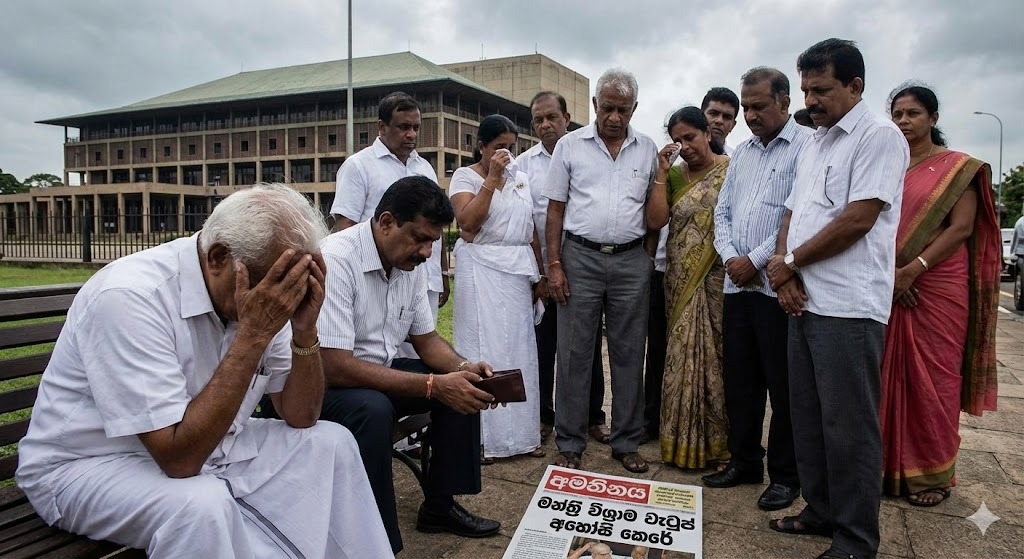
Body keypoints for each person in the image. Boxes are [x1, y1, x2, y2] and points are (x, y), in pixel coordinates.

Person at [15, 184, 392, 558]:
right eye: (274, 284)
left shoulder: (264, 291)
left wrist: (304, 330)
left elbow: (301, 415)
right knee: (200, 506)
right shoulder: (130, 296)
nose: (281, 298)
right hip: (88, 464)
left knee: (331, 442)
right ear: (217, 258)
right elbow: (179, 460)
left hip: (210, 445)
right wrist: (254, 335)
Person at [766, 39, 909, 559]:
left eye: (821, 90)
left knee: (849, 428)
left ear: (855, 85)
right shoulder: (816, 141)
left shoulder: (879, 137)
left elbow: (857, 219)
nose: (810, 100)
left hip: (848, 308)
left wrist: (790, 263)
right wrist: (784, 273)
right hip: (804, 301)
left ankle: (855, 539)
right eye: (806, 90)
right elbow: (792, 212)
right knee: (807, 418)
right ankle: (821, 510)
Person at [317, 176, 501, 552]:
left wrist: (461, 367)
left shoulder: (408, 265)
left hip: (375, 376)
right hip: (322, 387)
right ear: (387, 222)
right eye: (420, 239)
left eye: (433, 241)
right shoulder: (336, 259)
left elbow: (427, 341)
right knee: (374, 410)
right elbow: (334, 366)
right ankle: (376, 541)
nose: (427, 252)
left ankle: (439, 506)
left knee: (461, 387)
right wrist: (432, 385)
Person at [880, 83, 1000, 506]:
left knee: (935, 379)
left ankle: (932, 474)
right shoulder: (887, 166)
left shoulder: (957, 169)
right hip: (889, 282)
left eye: (913, 113)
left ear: (933, 118)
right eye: (897, 114)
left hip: (937, 283)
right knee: (884, 376)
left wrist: (914, 270)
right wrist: (894, 276)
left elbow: (961, 228)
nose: (904, 121)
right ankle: (884, 467)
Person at [704, 67, 809, 512]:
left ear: (784, 101)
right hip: (737, 286)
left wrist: (756, 260)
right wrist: (732, 257)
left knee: (783, 388)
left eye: (758, 106)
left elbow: (797, 214)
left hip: (775, 287)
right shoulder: (743, 153)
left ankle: (785, 476)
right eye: (745, 107)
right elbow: (722, 212)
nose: (749, 116)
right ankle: (745, 461)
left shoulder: (807, 146)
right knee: (741, 382)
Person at [545, 68, 658, 473]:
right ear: (594, 104)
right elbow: (555, 210)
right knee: (574, 353)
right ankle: (570, 442)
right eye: (607, 107)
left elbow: (654, 211)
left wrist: (646, 258)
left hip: (631, 261)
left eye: (622, 110)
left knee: (630, 353)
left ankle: (626, 442)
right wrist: (554, 265)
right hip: (580, 258)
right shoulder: (570, 146)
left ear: (634, 109)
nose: (614, 117)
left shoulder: (647, 149)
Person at [450, 114, 545, 462]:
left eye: (511, 147)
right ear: (482, 147)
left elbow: (529, 228)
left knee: (520, 349)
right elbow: (467, 223)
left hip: (516, 272)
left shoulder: (521, 179)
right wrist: (491, 178)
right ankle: (481, 439)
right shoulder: (465, 176)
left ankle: (523, 436)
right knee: (481, 347)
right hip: (481, 269)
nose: (506, 154)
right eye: (498, 147)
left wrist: (540, 274)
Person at [519, 91, 611, 446]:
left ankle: (593, 417)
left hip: (587, 267)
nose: (545, 125)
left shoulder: (588, 152)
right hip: (544, 270)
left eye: (552, 117)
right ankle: (545, 416)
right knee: (544, 347)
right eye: (538, 120)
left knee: (587, 346)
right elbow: (527, 224)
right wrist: (541, 274)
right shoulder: (524, 165)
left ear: (567, 118)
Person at [646, 106, 730, 470]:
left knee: (716, 357)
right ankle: (678, 441)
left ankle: (717, 443)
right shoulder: (674, 175)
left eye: (691, 137)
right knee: (680, 355)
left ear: (708, 133)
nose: (686, 146)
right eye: (678, 140)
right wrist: (661, 173)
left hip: (718, 277)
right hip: (679, 278)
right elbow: (656, 221)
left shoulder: (730, 170)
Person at [330, 91, 449, 325]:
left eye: (416, 127)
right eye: (403, 127)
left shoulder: (425, 168)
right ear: (382, 127)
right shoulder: (358, 166)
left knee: (422, 342)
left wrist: (442, 272)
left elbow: (436, 226)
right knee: (380, 343)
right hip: (379, 278)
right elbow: (345, 227)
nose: (411, 134)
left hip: (425, 278)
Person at [701, 87, 740, 155]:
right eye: (713, 113)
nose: (719, 121)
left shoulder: (736, 159)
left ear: (733, 126)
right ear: (700, 116)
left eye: (727, 117)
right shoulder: (682, 155)